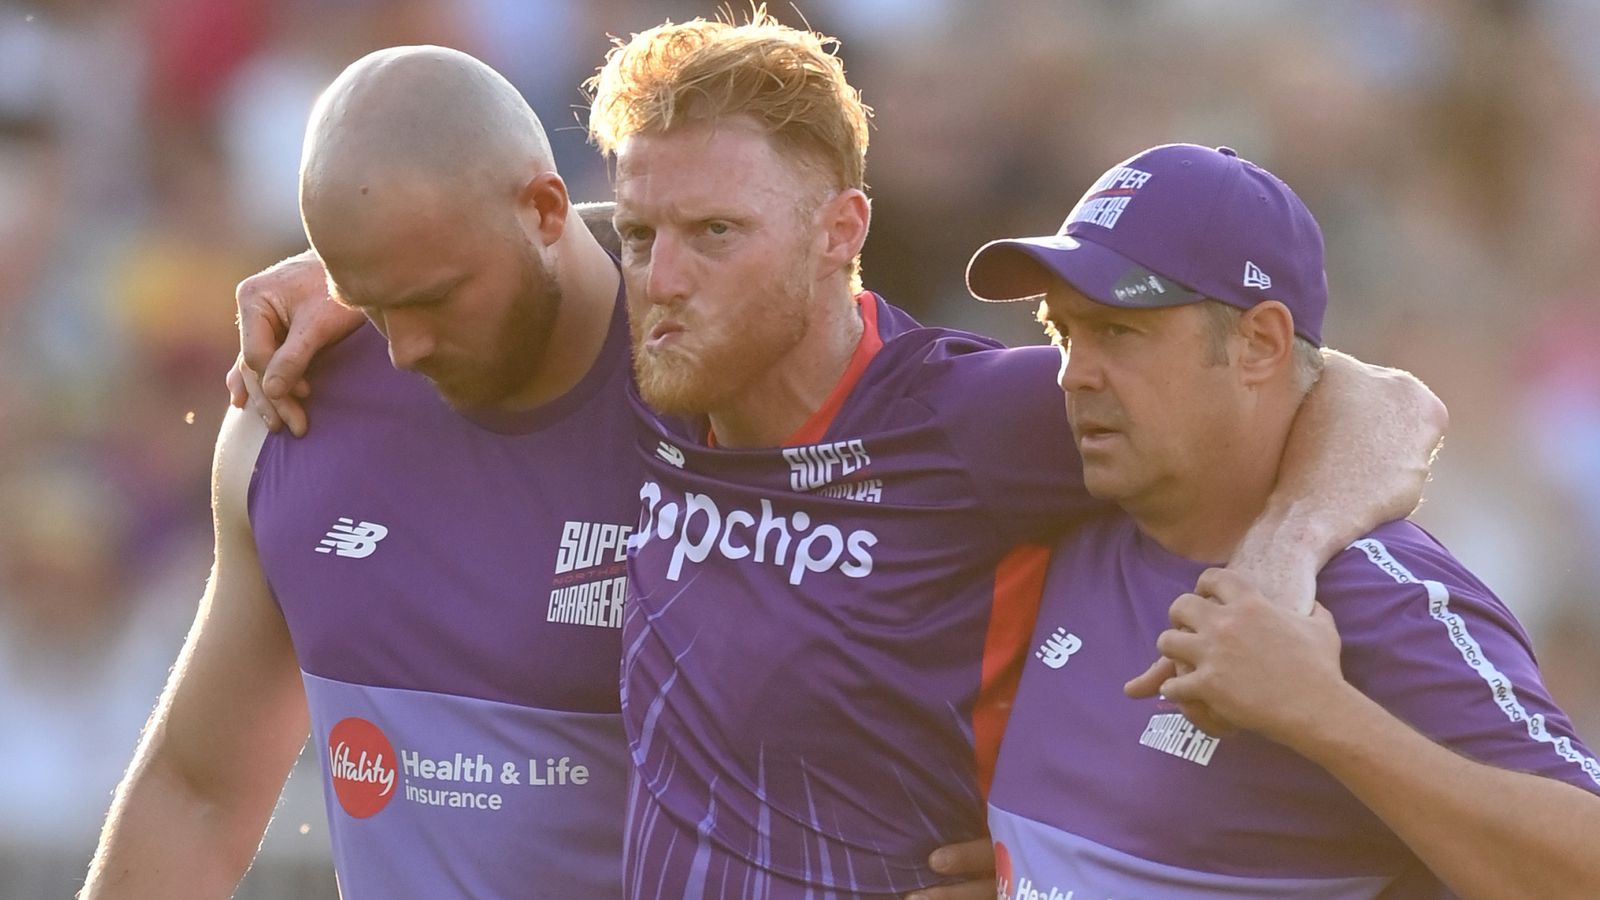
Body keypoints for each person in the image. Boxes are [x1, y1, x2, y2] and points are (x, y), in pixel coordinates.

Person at [230, 14, 1444, 898]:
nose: (660, 281)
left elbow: (1377, 399)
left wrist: (1285, 558)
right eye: (643, 234)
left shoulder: (965, 420)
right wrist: (364, 280)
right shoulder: (656, 382)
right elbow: (541, 251)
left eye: (714, 235)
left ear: (838, 232)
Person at [86, 43, 993, 900]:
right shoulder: (291, 411)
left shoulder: (741, 389)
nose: (404, 348)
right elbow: (195, 796)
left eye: (436, 295)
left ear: (549, 211)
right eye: (371, 299)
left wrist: (1041, 857)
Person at [969, 142, 1600, 898]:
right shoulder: (1056, 519)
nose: (1073, 373)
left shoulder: (1377, 595)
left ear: (1260, 343)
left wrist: (1322, 715)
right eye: (1064, 332)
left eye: (1119, 331)